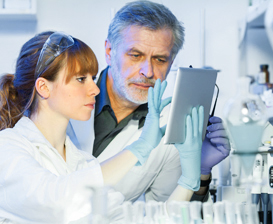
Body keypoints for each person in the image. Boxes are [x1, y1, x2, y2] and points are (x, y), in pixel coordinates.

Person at [0, 31, 204, 223]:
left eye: (93, 78)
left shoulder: (83, 163)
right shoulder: (8, 147)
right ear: (44, 87)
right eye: (81, 79)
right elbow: (55, 202)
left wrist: (188, 181)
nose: (95, 89)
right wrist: (139, 149)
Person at [68, 0, 231, 203]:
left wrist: (201, 171)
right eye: (135, 55)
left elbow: (168, 212)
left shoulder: (171, 126)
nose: (148, 71)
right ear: (109, 52)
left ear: (172, 61)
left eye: (160, 59)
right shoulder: (64, 99)